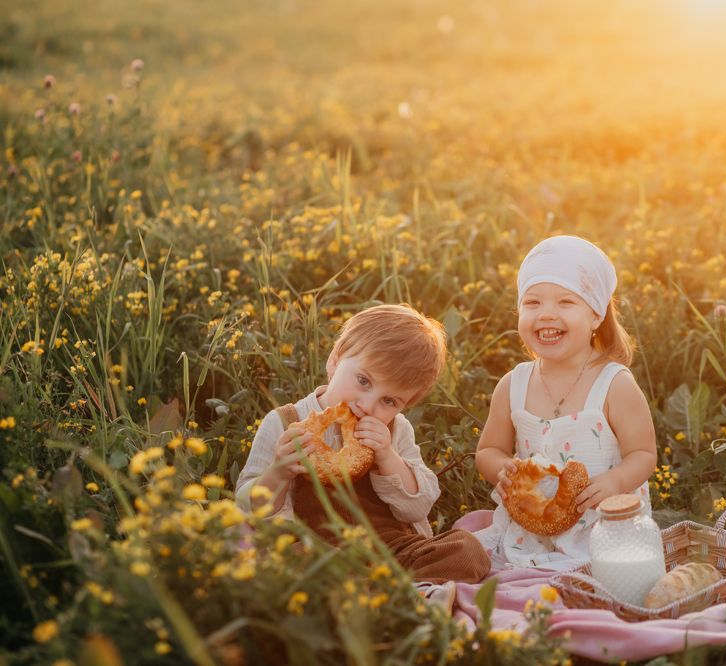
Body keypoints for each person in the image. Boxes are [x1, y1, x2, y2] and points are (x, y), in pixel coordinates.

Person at [235, 304, 490, 604]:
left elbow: (419, 507)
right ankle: (387, 597)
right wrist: (280, 470)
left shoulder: (395, 431)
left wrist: (388, 458)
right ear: (335, 359)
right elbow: (248, 506)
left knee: (467, 549)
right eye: (364, 381)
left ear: (404, 405)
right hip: (322, 551)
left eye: (389, 400)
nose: (368, 405)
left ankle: (405, 593)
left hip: (391, 549)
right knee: (287, 560)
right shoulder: (285, 423)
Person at [474, 236, 658, 570]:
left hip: (600, 526)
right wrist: (503, 471)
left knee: (603, 574)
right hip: (530, 526)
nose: (546, 314)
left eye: (565, 302)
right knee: (469, 554)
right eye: (532, 303)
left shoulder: (613, 384)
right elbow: (488, 450)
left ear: (595, 316)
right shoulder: (513, 385)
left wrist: (615, 482)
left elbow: (643, 454)